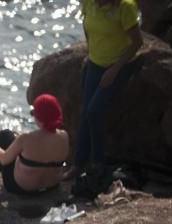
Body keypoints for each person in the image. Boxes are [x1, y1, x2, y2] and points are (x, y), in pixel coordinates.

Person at [72, 0, 142, 179]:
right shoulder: (89, 3)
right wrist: (90, 51)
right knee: (85, 111)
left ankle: (98, 165)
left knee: (94, 111)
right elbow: (86, 24)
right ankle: (78, 165)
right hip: (96, 63)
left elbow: (137, 42)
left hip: (119, 65)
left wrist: (114, 70)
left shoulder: (125, 7)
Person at [0, 94, 70, 194]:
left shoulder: (26, 139)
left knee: (5, 135)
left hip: (21, 189)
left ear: (38, 116)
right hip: (51, 187)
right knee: (16, 144)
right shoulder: (64, 136)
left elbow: (4, 159)